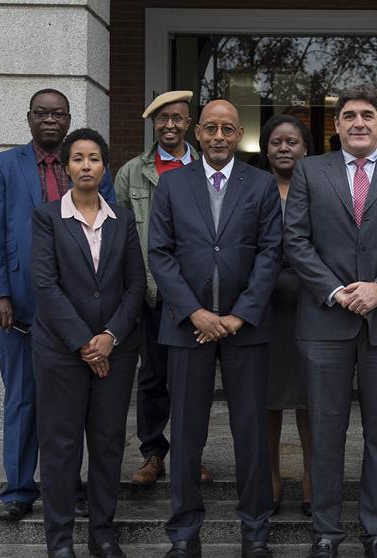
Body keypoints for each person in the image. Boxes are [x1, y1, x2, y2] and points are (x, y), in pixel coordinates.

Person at [283, 85, 377, 558]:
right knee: (326, 432)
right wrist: (334, 291)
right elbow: (295, 239)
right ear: (337, 124)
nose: (359, 123)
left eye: (368, 115)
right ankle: (326, 532)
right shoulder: (310, 170)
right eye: (349, 115)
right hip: (325, 319)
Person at [148, 99, 281, 558]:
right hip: (188, 328)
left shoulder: (261, 184)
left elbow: (271, 252)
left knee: (252, 433)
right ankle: (184, 534)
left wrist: (240, 314)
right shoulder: (172, 184)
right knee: (187, 434)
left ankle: (256, 531)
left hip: (247, 328)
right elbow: (160, 253)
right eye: (210, 128)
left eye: (227, 129)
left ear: (240, 133)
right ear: (197, 133)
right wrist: (195, 312)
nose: (219, 136)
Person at [0, 88, 111, 523]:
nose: (50, 119)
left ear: (69, 119)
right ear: (29, 117)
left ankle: (69, 485)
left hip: (77, 308)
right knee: (22, 399)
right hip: (18, 307)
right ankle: (19, 489)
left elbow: (107, 232)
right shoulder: (2, 166)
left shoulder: (88, 166)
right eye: (42, 113)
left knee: (71, 404)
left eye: (58, 114)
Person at [31, 128, 145, 558]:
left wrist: (109, 337)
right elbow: (45, 285)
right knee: (60, 447)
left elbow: (135, 286)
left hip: (115, 351)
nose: (85, 166)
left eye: (94, 158)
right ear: (66, 166)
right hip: (61, 353)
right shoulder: (47, 218)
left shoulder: (123, 220)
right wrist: (84, 342)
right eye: (77, 158)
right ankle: (60, 542)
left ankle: (102, 533)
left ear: (105, 167)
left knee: (108, 443)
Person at [114, 90, 211, 486]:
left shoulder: (207, 168)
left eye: (177, 118)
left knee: (193, 383)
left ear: (190, 124)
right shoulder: (131, 173)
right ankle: (153, 454)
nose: (170, 125)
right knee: (153, 378)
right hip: (151, 294)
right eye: (162, 119)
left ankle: (191, 455)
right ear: (153, 124)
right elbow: (119, 236)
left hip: (196, 296)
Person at [259, 114, 314, 516]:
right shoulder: (253, 188)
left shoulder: (321, 189)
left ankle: (312, 479)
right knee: (267, 398)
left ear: (306, 149)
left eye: (292, 142)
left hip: (310, 305)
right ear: (265, 149)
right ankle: (270, 478)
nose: (283, 148)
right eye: (276, 141)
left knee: (311, 398)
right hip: (263, 307)